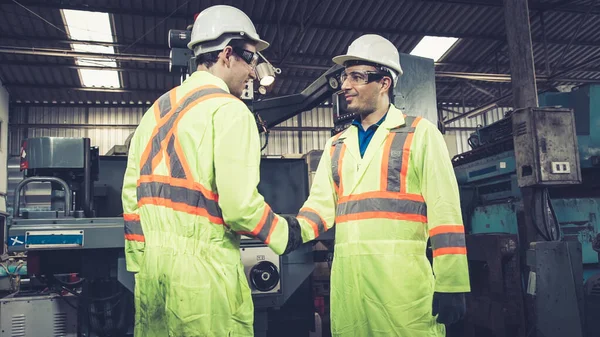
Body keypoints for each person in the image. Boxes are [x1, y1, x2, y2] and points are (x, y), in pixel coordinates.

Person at [121, 5, 301, 336]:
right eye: (250, 60)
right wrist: (284, 233)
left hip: (152, 273)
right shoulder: (230, 111)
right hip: (203, 278)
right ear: (227, 54)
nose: (252, 72)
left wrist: (140, 260)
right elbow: (239, 208)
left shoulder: (157, 110)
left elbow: (131, 194)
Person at [291, 34, 471, 337]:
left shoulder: (420, 134)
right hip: (351, 286)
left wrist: (452, 283)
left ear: (384, 82)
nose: (346, 85)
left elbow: (445, 212)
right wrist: (290, 230)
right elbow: (319, 208)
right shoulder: (336, 145)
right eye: (345, 76)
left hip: (400, 287)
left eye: (357, 76)